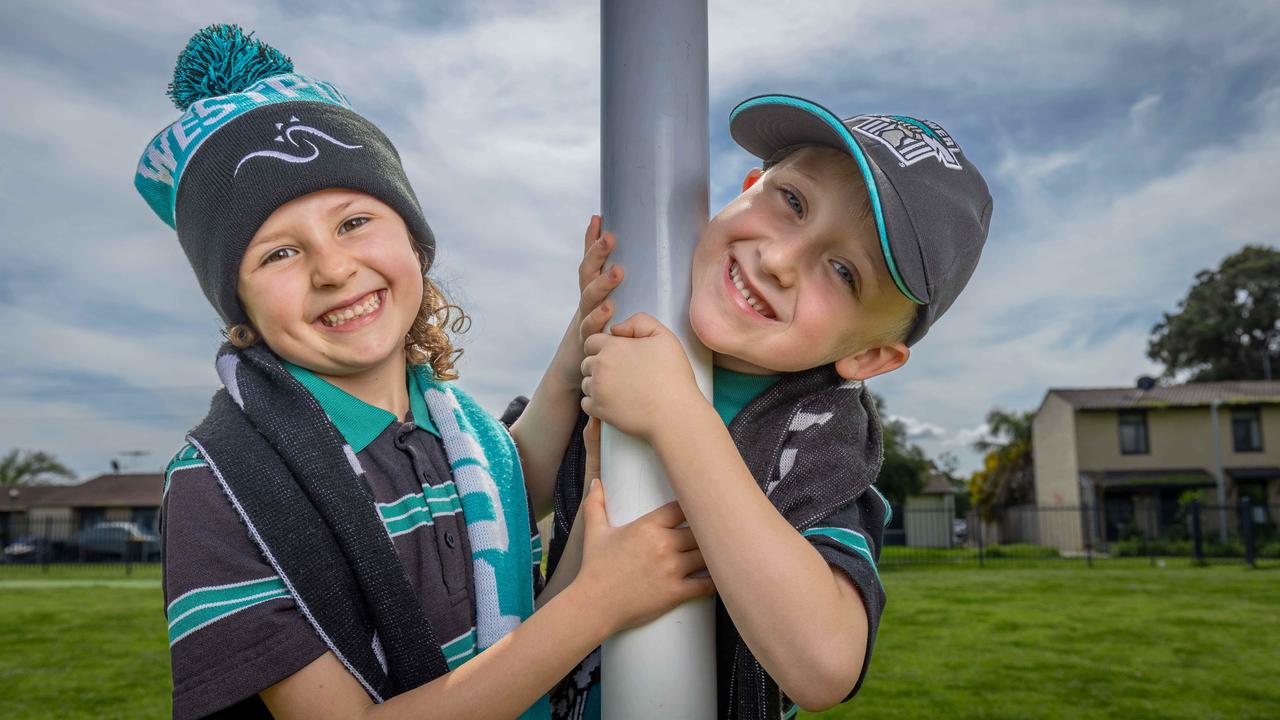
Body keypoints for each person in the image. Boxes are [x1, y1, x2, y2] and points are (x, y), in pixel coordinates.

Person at [140, 25, 712, 720]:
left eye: (353, 223)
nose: (333, 269)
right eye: (279, 254)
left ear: (414, 240)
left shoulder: (456, 426)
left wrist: (582, 333)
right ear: (241, 310)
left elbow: (508, 488)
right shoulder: (222, 487)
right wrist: (596, 602)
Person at [547, 95, 992, 718]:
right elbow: (516, 489)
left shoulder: (822, 447)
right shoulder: (633, 322)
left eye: (843, 272)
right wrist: (579, 340)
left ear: (869, 358)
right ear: (750, 185)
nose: (780, 261)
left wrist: (678, 417)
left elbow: (826, 667)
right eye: (792, 201)